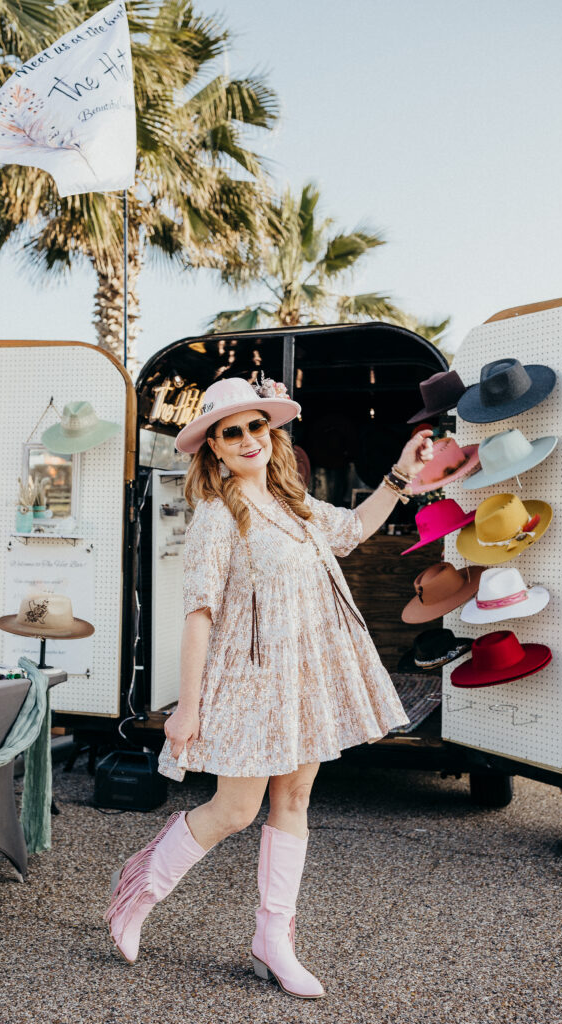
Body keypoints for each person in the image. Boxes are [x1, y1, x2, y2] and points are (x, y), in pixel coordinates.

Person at [105, 375, 434, 998]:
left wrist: (399, 472)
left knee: (296, 799)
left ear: (271, 432)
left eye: (258, 425)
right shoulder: (217, 514)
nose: (250, 438)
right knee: (234, 809)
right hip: (249, 680)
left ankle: (273, 939)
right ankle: (137, 892)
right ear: (215, 448)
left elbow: (355, 529)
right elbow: (199, 614)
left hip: (302, 677)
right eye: (233, 431)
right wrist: (188, 709)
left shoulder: (294, 502)